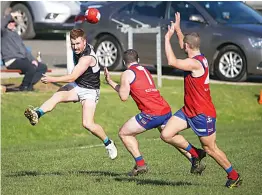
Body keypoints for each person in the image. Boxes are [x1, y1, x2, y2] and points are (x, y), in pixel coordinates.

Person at [163, 12, 242, 188]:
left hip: (202, 113)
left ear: (187, 46)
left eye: (183, 45)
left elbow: (172, 61)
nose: (181, 45)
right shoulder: (198, 56)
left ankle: (234, 176)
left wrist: (167, 39)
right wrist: (177, 30)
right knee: (166, 134)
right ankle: (195, 153)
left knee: (211, 149)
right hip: (188, 109)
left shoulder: (194, 64)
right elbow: (185, 42)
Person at [104, 49, 206, 176]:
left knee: (124, 133)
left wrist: (112, 82)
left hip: (151, 113)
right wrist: (111, 82)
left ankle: (140, 164)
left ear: (125, 62)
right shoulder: (144, 70)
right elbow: (129, 88)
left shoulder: (127, 73)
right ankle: (194, 160)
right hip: (164, 109)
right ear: (138, 60)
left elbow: (124, 96)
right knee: (171, 137)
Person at [24, 28, 117, 160]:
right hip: (78, 86)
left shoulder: (87, 58)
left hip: (90, 91)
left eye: (78, 43)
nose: (75, 47)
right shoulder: (79, 48)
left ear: (84, 42)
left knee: (87, 124)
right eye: (73, 44)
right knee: (57, 96)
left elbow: (72, 77)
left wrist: (51, 79)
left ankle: (108, 143)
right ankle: (37, 114)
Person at [1, 8, 47, 91]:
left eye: (13, 22)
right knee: (31, 67)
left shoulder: (16, 35)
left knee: (42, 67)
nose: (11, 24)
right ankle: (24, 87)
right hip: (12, 61)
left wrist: (33, 60)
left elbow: (25, 51)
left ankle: (29, 85)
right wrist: (10, 15)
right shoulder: (4, 33)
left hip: (22, 59)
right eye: (9, 22)